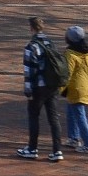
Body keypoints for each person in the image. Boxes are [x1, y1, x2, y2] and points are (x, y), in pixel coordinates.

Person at [18, 15, 64, 160]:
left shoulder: (31, 46)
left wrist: (28, 91)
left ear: (31, 28)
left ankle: (32, 148)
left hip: (38, 87)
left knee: (34, 117)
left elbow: (29, 71)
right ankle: (57, 151)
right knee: (54, 118)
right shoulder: (51, 43)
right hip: (53, 86)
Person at [63, 25, 88, 154]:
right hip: (84, 86)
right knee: (71, 112)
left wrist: (61, 88)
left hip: (75, 88)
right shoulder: (87, 51)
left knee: (79, 115)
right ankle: (73, 138)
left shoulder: (70, 54)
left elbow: (67, 74)